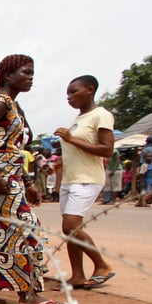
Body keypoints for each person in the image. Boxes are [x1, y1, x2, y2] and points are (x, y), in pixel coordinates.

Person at [0, 55, 61, 304]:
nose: (31, 77)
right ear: (8, 76)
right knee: (26, 229)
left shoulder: (12, 106)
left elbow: (14, 148)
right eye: (25, 72)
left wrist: (27, 182)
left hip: (8, 175)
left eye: (32, 73)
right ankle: (28, 293)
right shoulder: (0, 102)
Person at [53, 75, 117, 289]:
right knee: (69, 228)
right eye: (68, 94)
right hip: (70, 179)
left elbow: (107, 149)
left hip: (87, 178)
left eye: (74, 92)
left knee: (71, 225)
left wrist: (71, 140)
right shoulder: (77, 120)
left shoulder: (101, 115)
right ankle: (77, 275)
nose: (69, 97)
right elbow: (79, 148)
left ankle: (102, 265)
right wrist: (62, 160)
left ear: (90, 89)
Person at [137, 137, 152, 207]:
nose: (150, 157)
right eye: (149, 156)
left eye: (151, 156)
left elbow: (141, 161)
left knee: (148, 192)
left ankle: (141, 202)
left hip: (151, 175)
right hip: (148, 176)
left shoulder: (145, 150)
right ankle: (143, 202)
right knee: (147, 191)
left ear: (147, 141)